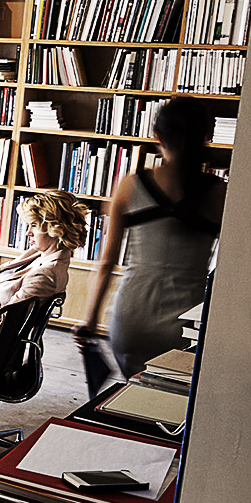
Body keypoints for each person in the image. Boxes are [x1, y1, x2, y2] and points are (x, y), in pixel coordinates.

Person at [76, 96, 226, 383]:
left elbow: (106, 263)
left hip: (131, 318)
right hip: (185, 322)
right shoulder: (219, 193)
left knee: (132, 394)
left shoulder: (130, 186)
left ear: (157, 135)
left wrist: (90, 319)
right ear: (206, 136)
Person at [0, 190, 88, 323]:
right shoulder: (38, 254)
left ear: (57, 228)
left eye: (34, 225)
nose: (28, 233)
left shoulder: (46, 274)